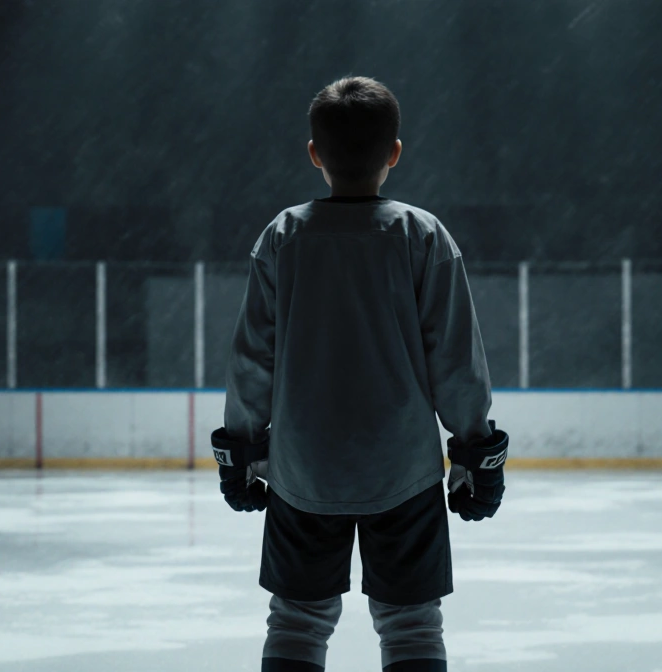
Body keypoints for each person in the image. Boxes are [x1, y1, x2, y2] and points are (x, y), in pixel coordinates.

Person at [210, 75, 509, 672]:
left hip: (303, 470)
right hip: (403, 470)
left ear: (315, 153)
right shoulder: (422, 235)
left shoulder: (284, 236)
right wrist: (477, 452)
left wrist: (240, 450)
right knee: (412, 626)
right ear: (394, 152)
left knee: (296, 620)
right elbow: (454, 358)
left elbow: (253, 357)